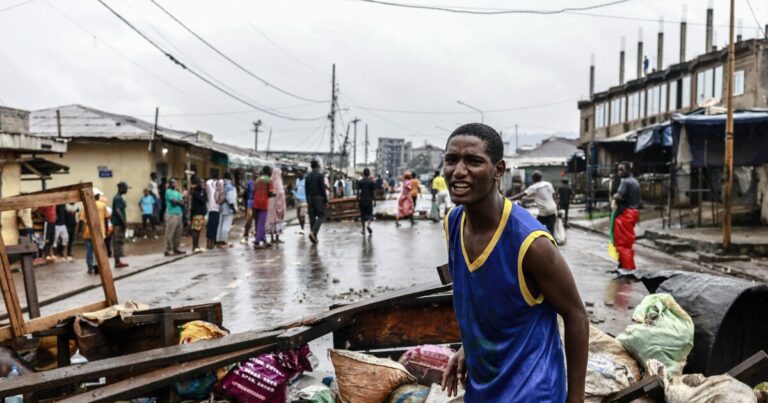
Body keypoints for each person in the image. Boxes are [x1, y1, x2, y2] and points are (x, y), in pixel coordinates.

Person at [440, 123, 588, 402]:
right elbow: (485, 302)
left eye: (473, 161)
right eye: (451, 160)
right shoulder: (453, 222)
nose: (458, 172)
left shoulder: (531, 243)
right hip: (483, 387)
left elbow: (576, 316)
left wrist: (575, 399)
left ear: (498, 170)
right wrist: (466, 349)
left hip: (532, 392)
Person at [612, 162, 641, 274]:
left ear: (628, 170)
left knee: (623, 244)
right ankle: (622, 266)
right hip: (633, 213)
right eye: (618, 170)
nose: (619, 172)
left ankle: (628, 269)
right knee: (625, 242)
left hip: (625, 214)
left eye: (621, 170)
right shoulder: (635, 181)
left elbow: (619, 195)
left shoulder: (625, 182)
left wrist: (614, 196)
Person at [78, 190, 110, 274]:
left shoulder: (85, 206)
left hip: (88, 232)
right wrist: (106, 230)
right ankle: (97, 266)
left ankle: (90, 267)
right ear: (97, 196)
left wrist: (79, 231)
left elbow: (81, 220)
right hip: (100, 232)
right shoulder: (103, 205)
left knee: (89, 251)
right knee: (99, 251)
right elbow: (106, 218)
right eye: (99, 195)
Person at [306, 160, 327, 244]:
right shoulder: (320, 175)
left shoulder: (307, 176)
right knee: (321, 216)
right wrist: (325, 200)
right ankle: (313, 232)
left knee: (312, 218)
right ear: (318, 166)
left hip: (310, 198)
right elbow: (323, 189)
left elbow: (306, 190)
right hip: (318, 198)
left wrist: (308, 200)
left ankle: (314, 237)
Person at [164, 178, 185, 256]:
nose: (174, 184)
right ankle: (168, 249)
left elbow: (182, 203)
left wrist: (178, 202)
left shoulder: (177, 192)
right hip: (171, 214)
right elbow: (173, 202)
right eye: (173, 183)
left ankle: (176, 248)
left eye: (175, 183)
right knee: (170, 233)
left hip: (179, 213)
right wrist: (178, 201)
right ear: (169, 184)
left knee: (178, 233)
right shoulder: (168, 192)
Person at [252, 166, 272, 248]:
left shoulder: (257, 179)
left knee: (258, 223)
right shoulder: (268, 180)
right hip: (263, 204)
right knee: (261, 223)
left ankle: (264, 240)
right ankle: (257, 242)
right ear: (268, 172)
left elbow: (254, 191)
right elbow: (270, 193)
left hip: (256, 203)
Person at [111, 182, 130, 268]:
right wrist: (124, 222)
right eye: (126, 188)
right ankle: (117, 262)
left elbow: (120, 208)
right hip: (118, 224)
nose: (127, 190)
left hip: (119, 224)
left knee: (119, 242)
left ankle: (118, 260)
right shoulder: (118, 198)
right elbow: (118, 211)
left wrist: (124, 204)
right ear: (121, 188)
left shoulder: (119, 198)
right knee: (117, 243)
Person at [217, 172, 237, 247]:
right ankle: (223, 241)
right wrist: (233, 209)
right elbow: (230, 199)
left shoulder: (221, 185)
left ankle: (218, 241)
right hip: (228, 208)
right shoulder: (229, 186)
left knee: (220, 224)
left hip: (221, 207)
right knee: (226, 225)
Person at [267, 167, 286, 244]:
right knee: (278, 220)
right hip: (278, 203)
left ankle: (272, 238)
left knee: (271, 220)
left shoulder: (270, 180)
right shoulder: (279, 181)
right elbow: (280, 193)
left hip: (270, 203)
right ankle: (277, 238)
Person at [189, 176, 207, 252]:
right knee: (196, 230)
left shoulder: (201, 191)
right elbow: (202, 200)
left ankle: (197, 246)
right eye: (201, 182)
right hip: (197, 212)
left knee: (198, 230)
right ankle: (194, 246)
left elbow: (205, 199)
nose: (203, 184)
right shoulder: (196, 192)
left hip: (201, 212)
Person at [357, 168, 376, 235]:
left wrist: (357, 200)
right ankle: (368, 224)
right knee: (370, 215)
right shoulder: (372, 182)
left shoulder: (360, 182)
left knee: (362, 215)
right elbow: (373, 193)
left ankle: (363, 230)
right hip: (369, 200)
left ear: (363, 173)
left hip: (362, 200)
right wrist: (375, 201)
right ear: (369, 174)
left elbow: (358, 192)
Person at [205, 175, 221, 250]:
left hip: (217, 210)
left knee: (215, 227)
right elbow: (208, 182)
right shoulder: (211, 189)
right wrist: (215, 181)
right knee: (210, 227)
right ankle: (209, 243)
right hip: (212, 210)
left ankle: (213, 242)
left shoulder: (218, 191)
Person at [293, 170, 308, 234]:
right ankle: (301, 226)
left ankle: (302, 228)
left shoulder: (306, 180)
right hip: (298, 199)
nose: (298, 175)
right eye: (297, 174)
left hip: (304, 200)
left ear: (303, 174)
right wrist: (294, 190)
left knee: (302, 215)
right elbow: (296, 188)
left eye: (300, 174)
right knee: (298, 214)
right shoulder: (297, 180)